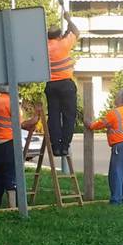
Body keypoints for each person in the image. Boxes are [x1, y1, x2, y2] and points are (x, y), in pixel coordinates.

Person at [0, 86, 39, 208]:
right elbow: (21, 124)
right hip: (7, 141)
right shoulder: (11, 102)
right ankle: (13, 205)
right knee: (11, 172)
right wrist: (36, 118)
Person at [85, 90, 123, 205]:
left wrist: (90, 125)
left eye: (116, 96)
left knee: (116, 173)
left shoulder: (115, 112)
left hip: (120, 146)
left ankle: (116, 200)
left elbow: (102, 123)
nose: (114, 98)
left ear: (121, 99)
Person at [46, 11, 79, 156]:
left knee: (53, 116)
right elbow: (76, 32)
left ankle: (55, 147)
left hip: (51, 85)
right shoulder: (64, 44)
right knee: (69, 116)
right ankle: (65, 146)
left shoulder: (45, 47)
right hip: (66, 84)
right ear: (60, 36)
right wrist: (68, 19)